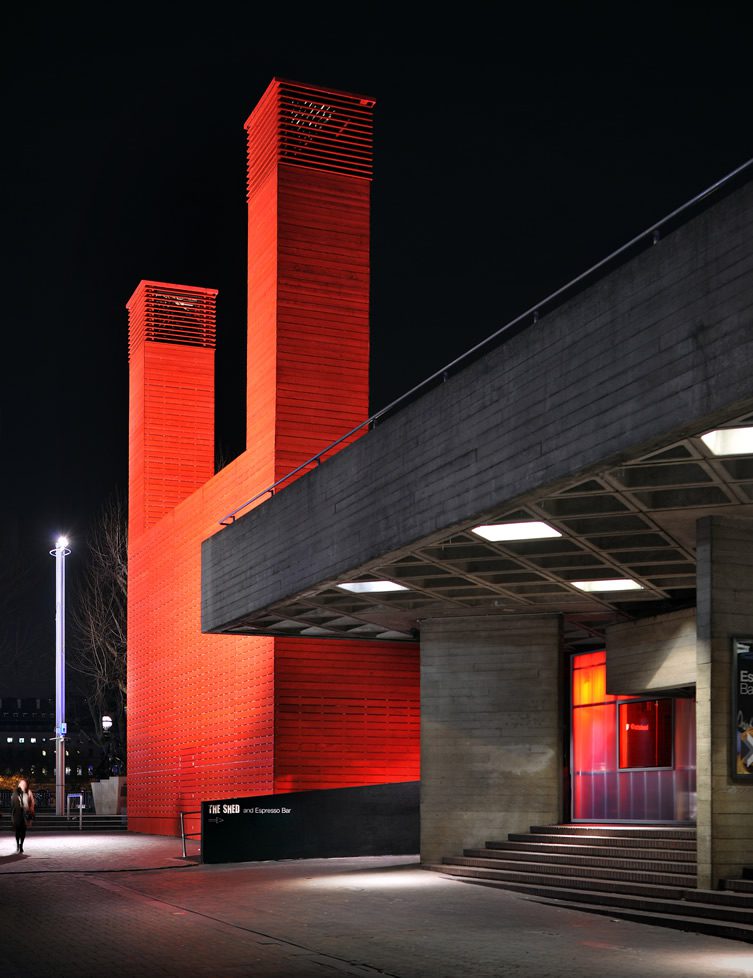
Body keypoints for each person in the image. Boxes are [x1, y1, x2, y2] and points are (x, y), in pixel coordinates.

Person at [10, 778, 35, 853]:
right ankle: (18, 844)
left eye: (24, 784)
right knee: (17, 831)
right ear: (19, 785)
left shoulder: (28, 792)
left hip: (25, 815)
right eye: (21, 784)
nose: (23, 785)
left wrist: (31, 814)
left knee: (23, 831)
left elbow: (32, 804)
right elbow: (12, 804)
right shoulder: (15, 793)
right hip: (17, 815)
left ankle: (21, 846)